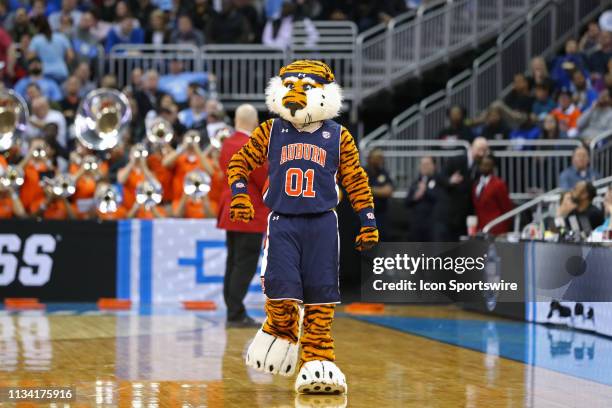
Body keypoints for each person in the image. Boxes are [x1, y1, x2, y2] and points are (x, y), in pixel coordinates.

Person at [228, 61, 377, 394]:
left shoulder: (339, 135)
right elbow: (239, 162)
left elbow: (356, 179)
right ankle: (280, 330)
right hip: (283, 220)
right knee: (280, 288)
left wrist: (367, 219)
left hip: (323, 222)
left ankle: (317, 358)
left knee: (321, 297)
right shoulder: (271, 130)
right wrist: (239, 193)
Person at [217, 104, 269, 327]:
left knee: (233, 262)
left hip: (230, 210)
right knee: (245, 264)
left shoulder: (227, 143)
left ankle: (233, 309)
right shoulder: (252, 145)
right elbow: (263, 177)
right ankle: (236, 312)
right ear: (253, 121)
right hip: (251, 212)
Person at [434, 137, 489, 241]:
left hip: (463, 217)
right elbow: (439, 178)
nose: (482, 154)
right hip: (448, 216)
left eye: (484, 150)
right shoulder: (456, 160)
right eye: (480, 150)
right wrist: (450, 181)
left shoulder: (479, 166)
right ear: (472, 148)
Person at [472, 155, 513, 235]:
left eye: (488, 165)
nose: (485, 167)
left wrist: (505, 228)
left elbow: (506, 207)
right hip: (481, 229)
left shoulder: (498, 184)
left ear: (492, 167)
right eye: (483, 165)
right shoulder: (476, 184)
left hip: (497, 229)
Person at [28, 16, 73, 83]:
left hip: (45, 73)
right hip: (61, 72)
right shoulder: (61, 37)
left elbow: (30, 57)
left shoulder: (36, 40)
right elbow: (71, 56)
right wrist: (62, 63)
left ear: (37, 28)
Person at [405, 156, 439, 241]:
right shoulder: (416, 182)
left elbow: (439, 198)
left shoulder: (439, 180)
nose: (424, 166)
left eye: (427, 164)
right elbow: (406, 202)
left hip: (432, 226)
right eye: (422, 164)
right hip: (416, 226)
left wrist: (426, 190)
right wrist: (415, 197)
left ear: (434, 166)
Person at [364, 147, 394, 240]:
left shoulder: (383, 172)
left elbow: (389, 191)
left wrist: (372, 190)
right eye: (378, 157)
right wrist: (380, 190)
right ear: (370, 158)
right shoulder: (363, 171)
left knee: (382, 241)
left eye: (381, 158)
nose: (380, 160)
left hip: (382, 214)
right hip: (366, 215)